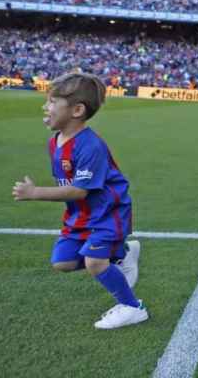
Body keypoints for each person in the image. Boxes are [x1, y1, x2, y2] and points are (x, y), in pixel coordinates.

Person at [11, 72, 147, 330]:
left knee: (94, 262)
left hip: (109, 213)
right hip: (81, 216)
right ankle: (123, 255)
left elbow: (79, 191)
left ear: (77, 110)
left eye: (52, 102)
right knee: (62, 263)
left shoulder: (90, 146)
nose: (45, 107)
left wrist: (35, 192)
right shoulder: (55, 142)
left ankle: (133, 307)